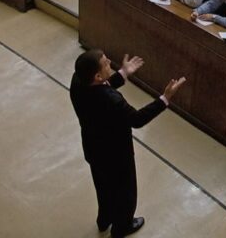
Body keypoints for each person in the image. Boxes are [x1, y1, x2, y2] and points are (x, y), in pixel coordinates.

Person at [70, 49, 186, 238]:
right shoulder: (111, 100)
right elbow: (136, 119)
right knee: (125, 193)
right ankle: (122, 226)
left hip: (94, 150)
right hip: (116, 156)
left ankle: (104, 219)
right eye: (105, 63)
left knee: (103, 187)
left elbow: (101, 86)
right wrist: (164, 98)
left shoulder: (78, 82)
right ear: (98, 75)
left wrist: (123, 74)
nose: (109, 61)